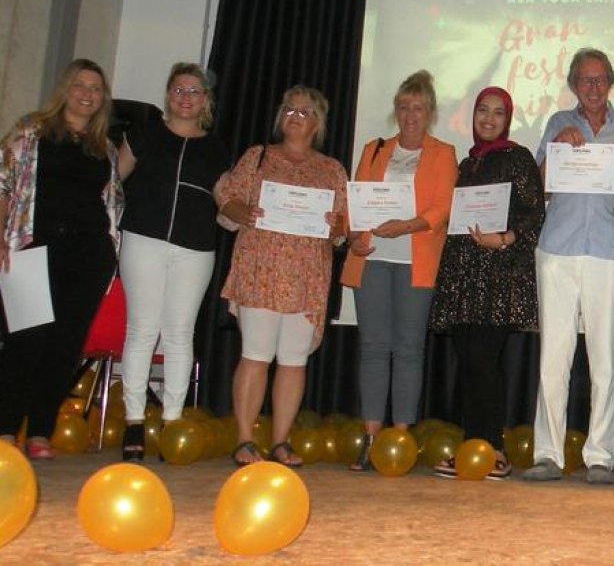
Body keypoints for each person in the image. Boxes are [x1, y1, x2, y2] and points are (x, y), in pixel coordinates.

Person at [523, 48, 614, 484]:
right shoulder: (558, 124)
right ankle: (548, 454)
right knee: (552, 359)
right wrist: (554, 152)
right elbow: (536, 187)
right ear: (573, 84)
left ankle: (600, 455)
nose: (593, 88)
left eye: (600, 80)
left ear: (611, 82)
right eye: (584, 80)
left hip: (609, 252)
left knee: (606, 357)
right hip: (557, 250)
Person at [217, 85, 347, 467]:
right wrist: (246, 212)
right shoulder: (257, 156)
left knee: (293, 361)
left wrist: (334, 223)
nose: (295, 117)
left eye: (304, 112)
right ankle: (244, 440)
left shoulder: (332, 169)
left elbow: (342, 228)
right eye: (289, 110)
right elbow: (229, 200)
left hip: (307, 275)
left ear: (318, 123)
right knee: (255, 354)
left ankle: (279, 442)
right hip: (262, 268)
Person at [0, 59, 123, 460]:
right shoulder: (31, 130)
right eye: (80, 85)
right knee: (24, 341)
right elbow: (3, 182)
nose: (87, 94)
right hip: (33, 248)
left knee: (64, 346)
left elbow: (111, 203)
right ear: (65, 89)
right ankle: (4, 431)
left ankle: (39, 432)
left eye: (96, 88)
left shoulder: (103, 147)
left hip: (87, 255)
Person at [339, 70, 457, 471]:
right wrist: (352, 235)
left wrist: (407, 226)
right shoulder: (374, 149)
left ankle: (401, 439)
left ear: (430, 113)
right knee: (373, 347)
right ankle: (371, 438)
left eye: (418, 108)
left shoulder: (443, 153)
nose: (410, 115)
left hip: (415, 260)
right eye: (404, 107)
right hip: (371, 257)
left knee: (408, 350)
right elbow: (354, 202)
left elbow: (443, 207)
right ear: (396, 111)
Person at [428, 87, 544, 480]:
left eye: (498, 113)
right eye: (483, 111)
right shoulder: (467, 162)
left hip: (498, 275)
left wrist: (506, 238)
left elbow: (534, 215)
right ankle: (471, 447)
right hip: (462, 275)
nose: (489, 119)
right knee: (468, 364)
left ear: (507, 119)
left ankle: (493, 449)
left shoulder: (518, 157)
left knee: (484, 364)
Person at [117, 62, 229, 461]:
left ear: (206, 100)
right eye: (179, 90)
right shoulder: (144, 134)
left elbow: (225, 201)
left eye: (194, 91)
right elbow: (115, 182)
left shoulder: (216, 148)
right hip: (143, 238)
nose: (186, 97)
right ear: (168, 95)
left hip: (196, 248)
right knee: (142, 330)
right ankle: (133, 422)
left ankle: (173, 420)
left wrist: (243, 214)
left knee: (180, 332)